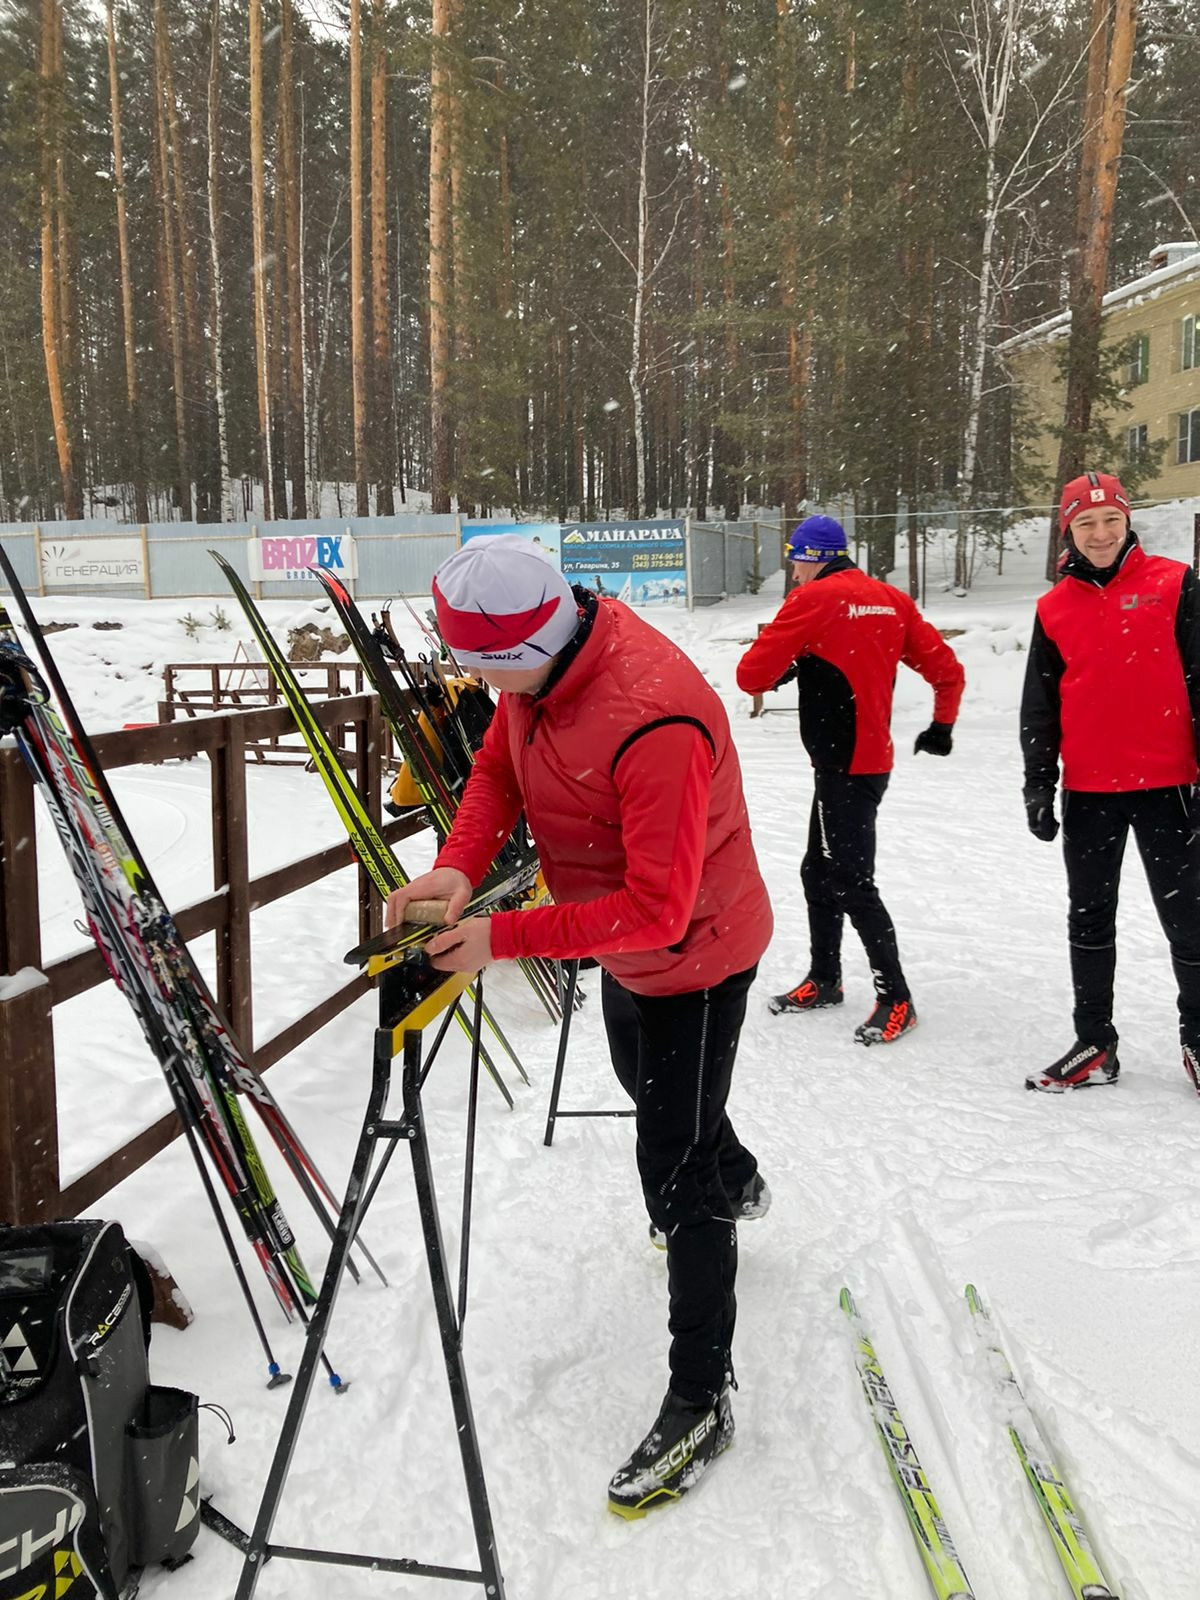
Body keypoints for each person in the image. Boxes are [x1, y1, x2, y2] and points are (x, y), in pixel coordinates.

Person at [385, 534, 773, 1518]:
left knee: (673, 1173)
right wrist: (460, 866)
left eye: (478, 662)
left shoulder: (658, 717)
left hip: (696, 953)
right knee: (655, 1090)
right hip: (623, 948)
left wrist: (501, 936)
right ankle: (735, 1166)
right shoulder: (539, 673)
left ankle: (701, 1397)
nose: (468, 680)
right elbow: (498, 777)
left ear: (524, 647)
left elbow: (659, 909)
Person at [735, 514, 964, 1043]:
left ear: (812, 557)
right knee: (819, 871)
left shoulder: (813, 600)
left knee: (851, 882)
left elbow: (751, 676)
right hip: (865, 761)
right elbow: (946, 670)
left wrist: (792, 656)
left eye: (795, 559)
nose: (792, 571)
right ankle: (825, 978)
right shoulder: (890, 598)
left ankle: (896, 997)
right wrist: (941, 725)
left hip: (842, 765)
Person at [1021, 470, 1200, 1093]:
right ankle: (1096, 1041)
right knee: (1089, 919)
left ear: (1128, 522)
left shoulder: (1176, 584)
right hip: (1091, 792)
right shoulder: (1053, 608)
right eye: (1086, 523)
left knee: (1189, 922)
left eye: (1111, 521)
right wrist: (1038, 784)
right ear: (1068, 528)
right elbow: (1040, 706)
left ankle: (1197, 1040)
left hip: (1169, 788)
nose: (1100, 533)